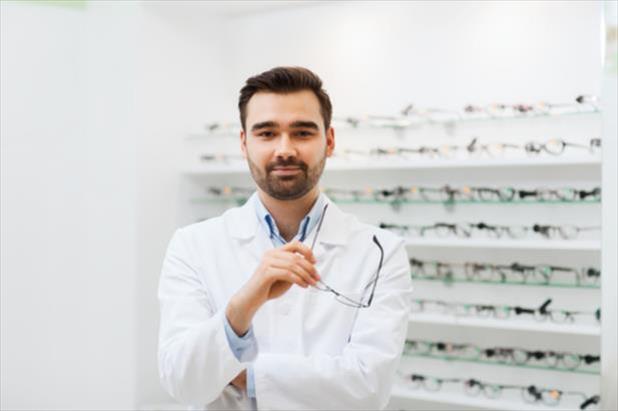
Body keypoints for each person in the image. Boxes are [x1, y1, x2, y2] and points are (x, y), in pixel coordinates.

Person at [157, 66, 413, 410]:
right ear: (244, 143)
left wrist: (241, 373)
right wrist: (243, 304)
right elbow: (183, 381)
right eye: (266, 133)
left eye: (302, 133)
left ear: (330, 140)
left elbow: (368, 388)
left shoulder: (381, 253)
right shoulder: (192, 245)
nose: (285, 149)